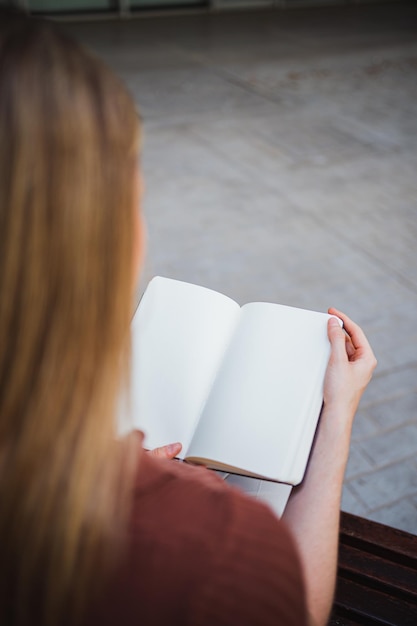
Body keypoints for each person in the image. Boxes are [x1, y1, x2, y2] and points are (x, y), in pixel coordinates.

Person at [0, 11, 377, 626]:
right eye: (134, 202)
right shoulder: (210, 549)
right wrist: (336, 421)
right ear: (89, 247)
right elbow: (297, 611)